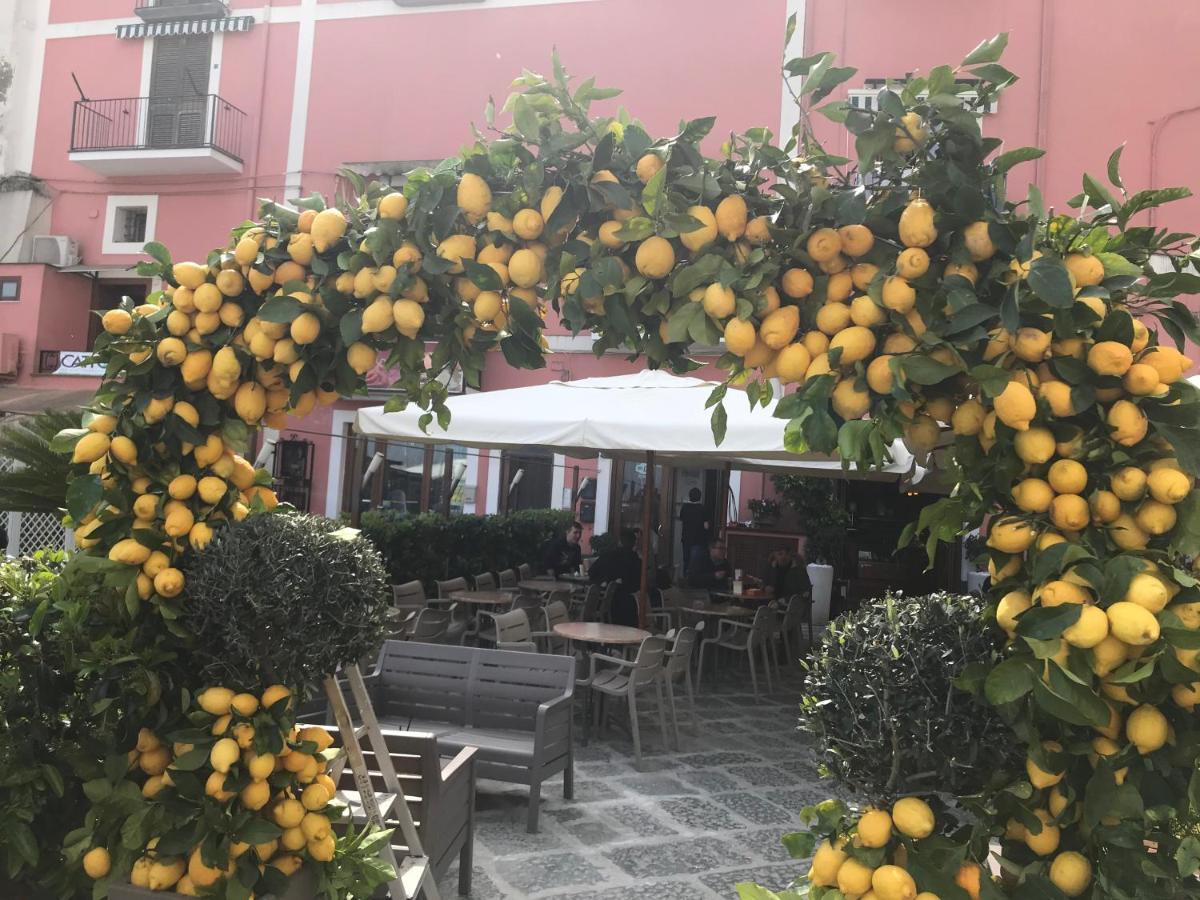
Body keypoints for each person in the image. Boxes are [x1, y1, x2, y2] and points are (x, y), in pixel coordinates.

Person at [588, 528, 642, 626]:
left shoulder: (608, 556)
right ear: (634, 544)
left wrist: (602, 580)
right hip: (630, 606)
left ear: (619, 542)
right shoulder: (636, 561)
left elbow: (591, 572)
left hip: (605, 603)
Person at [678, 487, 709, 572]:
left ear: (689, 496)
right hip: (698, 540)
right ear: (700, 497)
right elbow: (706, 526)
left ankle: (685, 579)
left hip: (686, 538)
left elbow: (681, 519)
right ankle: (693, 581)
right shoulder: (702, 509)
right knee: (695, 562)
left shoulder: (684, 507)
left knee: (686, 560)